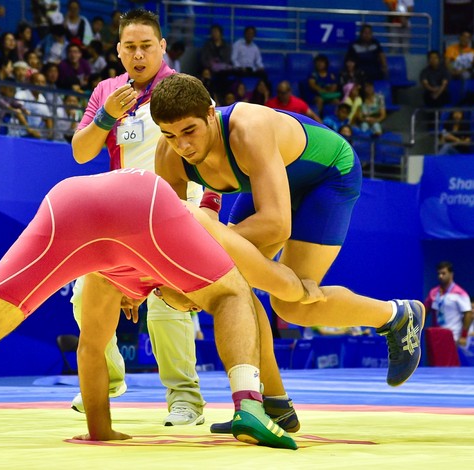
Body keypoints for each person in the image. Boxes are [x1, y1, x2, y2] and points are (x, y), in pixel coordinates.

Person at [0, 169, 325, 449]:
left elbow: (91, 349)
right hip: (142, 202)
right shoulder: (185, 243)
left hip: (68, 205)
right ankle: (248, 406)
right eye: (179, 299)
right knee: (233, 294)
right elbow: (243, 288)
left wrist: (101, 433)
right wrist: (298, 288)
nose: (177, 301)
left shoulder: (104, 280)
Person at [149, 74, 425, 431]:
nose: (183, 145)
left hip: (327, 177)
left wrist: (217, 241)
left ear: (210, 113)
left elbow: (277, 224)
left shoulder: (247, 129)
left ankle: (397, 315)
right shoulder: (169, 154)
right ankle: (275, 403)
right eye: (170, 135)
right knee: (234, 281)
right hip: (270, 183)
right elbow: (176, 237)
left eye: (190, 131)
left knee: (289, 305)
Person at [70, 9, 213, 426]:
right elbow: (81, 152)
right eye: (129, 47)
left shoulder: (183, 88)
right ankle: (107, 379)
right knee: (86, 298)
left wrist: (205, 211)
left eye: (146, 46)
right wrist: (106, 116)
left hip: (177, 212)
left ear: (162, 47)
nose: (138, 55)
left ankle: (185, 399)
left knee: (169, 304)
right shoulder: (106, 92)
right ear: (117, 51)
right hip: (120, 219)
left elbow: (211, 149)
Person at [424, 261, 473, 347]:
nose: (440, 276)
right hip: (436, 336)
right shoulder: (433, 292)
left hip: (454, 337)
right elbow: (425, 311)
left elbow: (468, 313)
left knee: (450, 360)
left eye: (443, 273)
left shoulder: (460, 293)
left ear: (451, 274)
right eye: (439, 274)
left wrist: (464, 336)